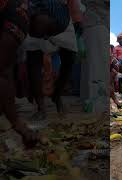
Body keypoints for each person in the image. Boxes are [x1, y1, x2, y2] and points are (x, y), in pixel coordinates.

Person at [0, 0, 71, 146]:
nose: (45, 37)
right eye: (49, 30)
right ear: (45, 14)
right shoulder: (21, 14)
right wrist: (19, 125)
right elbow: (3, 72)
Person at [23, 0, 84, 121]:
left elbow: (74, 6)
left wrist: (77, 21)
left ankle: (57, 95)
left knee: (70, 58)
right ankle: (41, 107)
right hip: (35, 14)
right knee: (33, 61)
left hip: (61, 15)